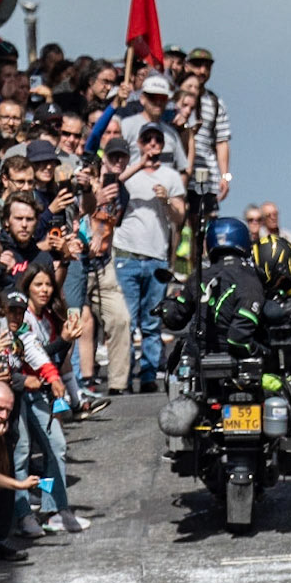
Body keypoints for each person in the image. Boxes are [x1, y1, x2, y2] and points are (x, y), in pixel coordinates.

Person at [108, 122, 185, 391]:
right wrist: (140, 164)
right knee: (127, 321)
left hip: (155, 257)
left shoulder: (170, 176)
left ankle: (150, 375)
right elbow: (112, 186)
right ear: (139, 143)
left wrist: (166, 201)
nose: (152, 144)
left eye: (157, 140)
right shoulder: (130, 172)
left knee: (152, 322)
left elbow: (179, 217)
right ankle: (125, 376)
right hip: (127, 255)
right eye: (147, 139)